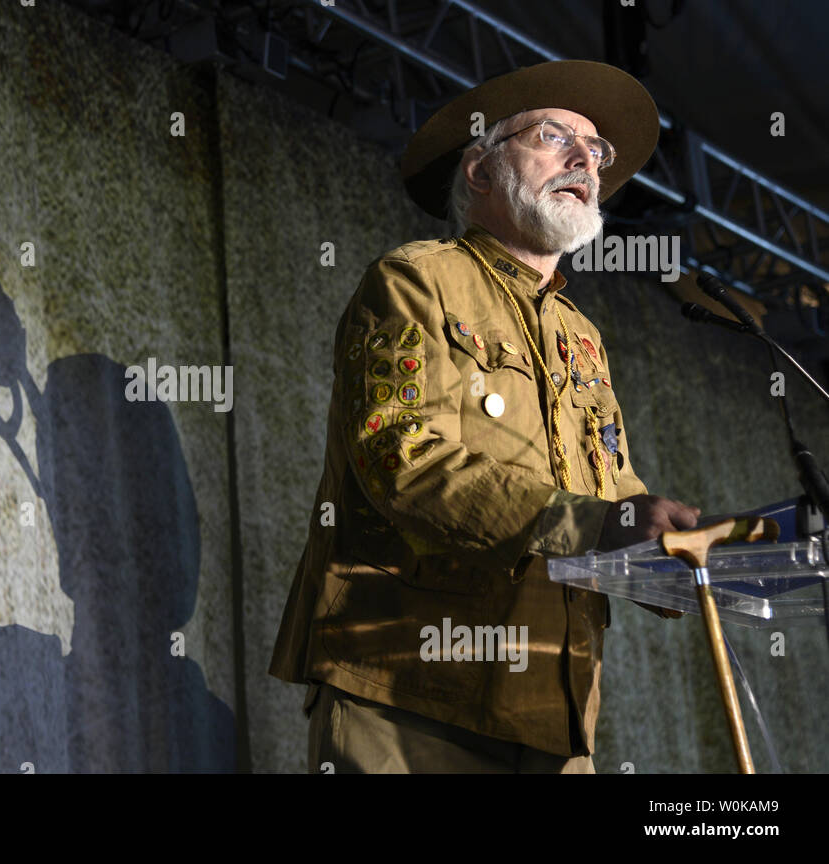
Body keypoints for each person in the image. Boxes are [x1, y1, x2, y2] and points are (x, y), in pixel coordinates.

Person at [268, 60, 702, 773]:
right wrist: (597, 527)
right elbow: (402, 460)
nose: (584, 160)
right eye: (555, 136)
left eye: (596, 152)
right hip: (412, 690)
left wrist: (687, 557)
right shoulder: (416, 280)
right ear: (479, 170)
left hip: (555, 711)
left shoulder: (582, 337)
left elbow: (616, 492)